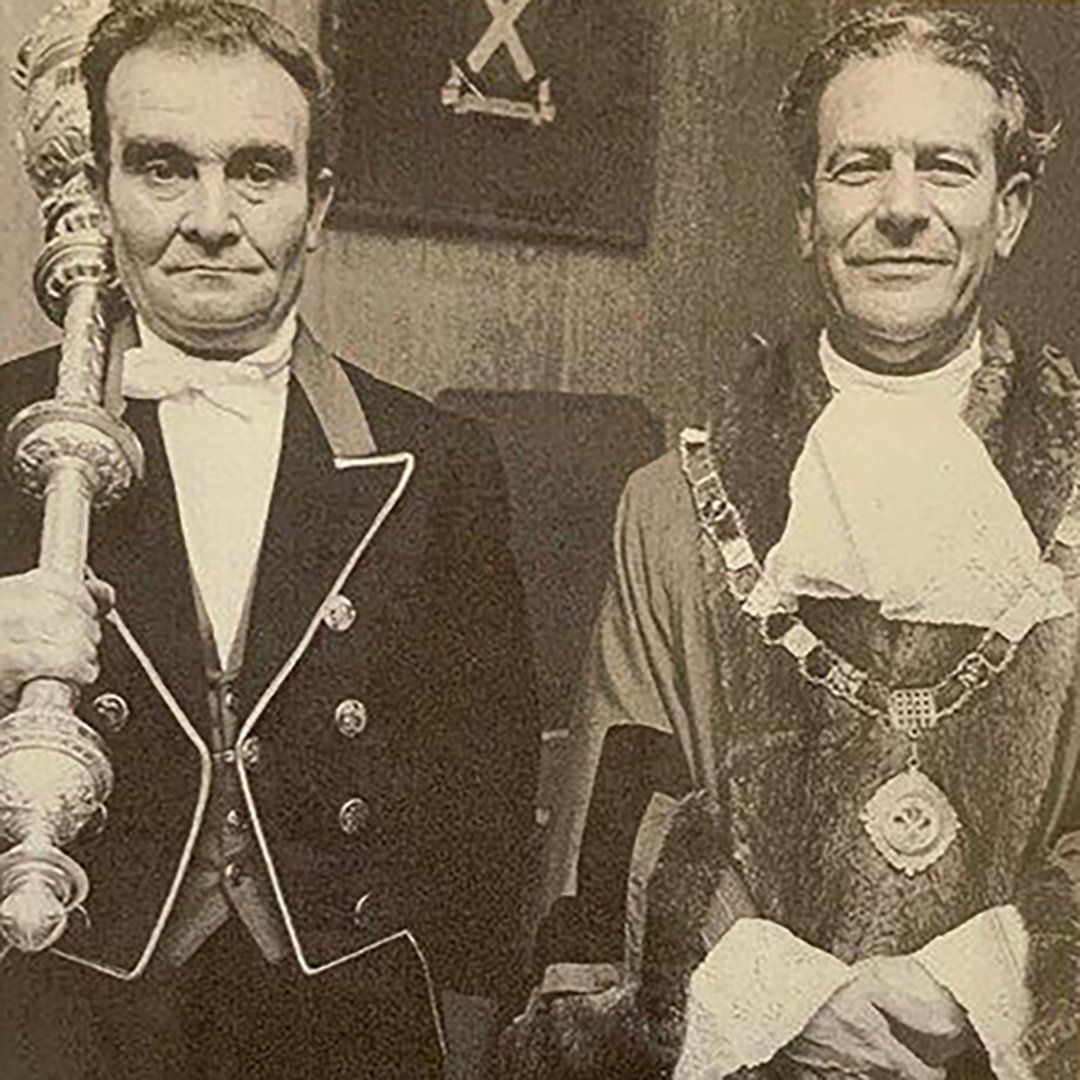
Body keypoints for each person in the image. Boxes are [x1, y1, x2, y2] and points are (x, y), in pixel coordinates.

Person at [500, 6, 1079, 1079]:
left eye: (945, 167)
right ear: (806, 212)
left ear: (1010, 211)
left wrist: (977, 988)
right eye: (858, 167)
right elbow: (623, 825)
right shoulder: (671, 509)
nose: (900, 207)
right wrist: (784, 1004)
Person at [0, 1, 539, 1077]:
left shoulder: (438, 462)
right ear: (99, 189)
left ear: (317, 202)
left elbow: (485, 814)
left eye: (257, 171)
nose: (212, 218)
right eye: (163, 168)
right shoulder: (13, 438)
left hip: (350, 1022)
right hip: (59, 1008)